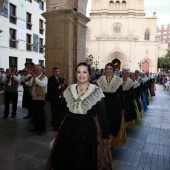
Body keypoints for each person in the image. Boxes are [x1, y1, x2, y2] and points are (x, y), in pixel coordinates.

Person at [46, 62, 112, 170]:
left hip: (88, 130)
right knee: (67, 158)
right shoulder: (69, 90)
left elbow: (102, 114)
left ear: (89, 74)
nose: (81, 75)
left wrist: (105, 135)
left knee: (84, 160)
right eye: (79, 72)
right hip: (68, 129)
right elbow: (63, 111)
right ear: (76, 73)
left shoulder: (96, 91)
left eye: (84, 72)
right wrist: (57, 128)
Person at [97, 63, 126, 147]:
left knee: (113, 121)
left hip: (114, 105)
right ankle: (103, 140)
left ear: (113, 71)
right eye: (107, 69)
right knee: (103, 121)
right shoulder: (100, 80)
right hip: (102, 103)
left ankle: (111, 143)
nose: (108, 70)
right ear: (104, 70)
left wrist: (123, 108)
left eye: (110, 69)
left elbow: (121, 94)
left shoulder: (118, 80)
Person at [30, 65, 48, 135]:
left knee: (41, 115)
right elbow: (29, 84)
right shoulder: (33, 77)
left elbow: (42, 84)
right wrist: (29, 78)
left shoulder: (44, 77)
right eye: (34, 70)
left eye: (37, 70)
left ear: (41, 71)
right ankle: (36, 127)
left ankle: (43, 129)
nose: (35, 71)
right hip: (33, 98)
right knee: (35, 114)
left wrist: (35, 78)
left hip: (40, 99)